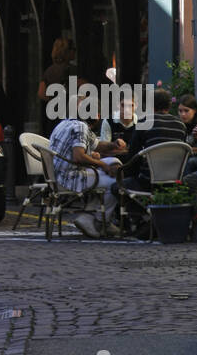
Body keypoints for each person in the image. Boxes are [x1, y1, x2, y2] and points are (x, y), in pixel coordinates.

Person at [48, 86, 124, 238]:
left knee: (114, 162)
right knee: (115, 182)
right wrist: (103, 165)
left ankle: (89, 215)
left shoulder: (66, 123)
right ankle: (100, 222)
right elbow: (79, 156)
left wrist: (114, 144)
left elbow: (96, 144)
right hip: (69, 178)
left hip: (58, 174)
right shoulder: (80, 127)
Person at [117, 89, 187, 189]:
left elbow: (132, 156)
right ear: (170, 105)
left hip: (147, 182)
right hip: (174, 183)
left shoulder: (144, 123)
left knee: (115, 187)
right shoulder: (181, 125)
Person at [37, 38, 75, 131]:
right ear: (68, 52)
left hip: (54, 118)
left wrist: (55, 101)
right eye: (73, 49)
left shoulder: (49, 71)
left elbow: (41, 93)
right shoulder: (72, 70)